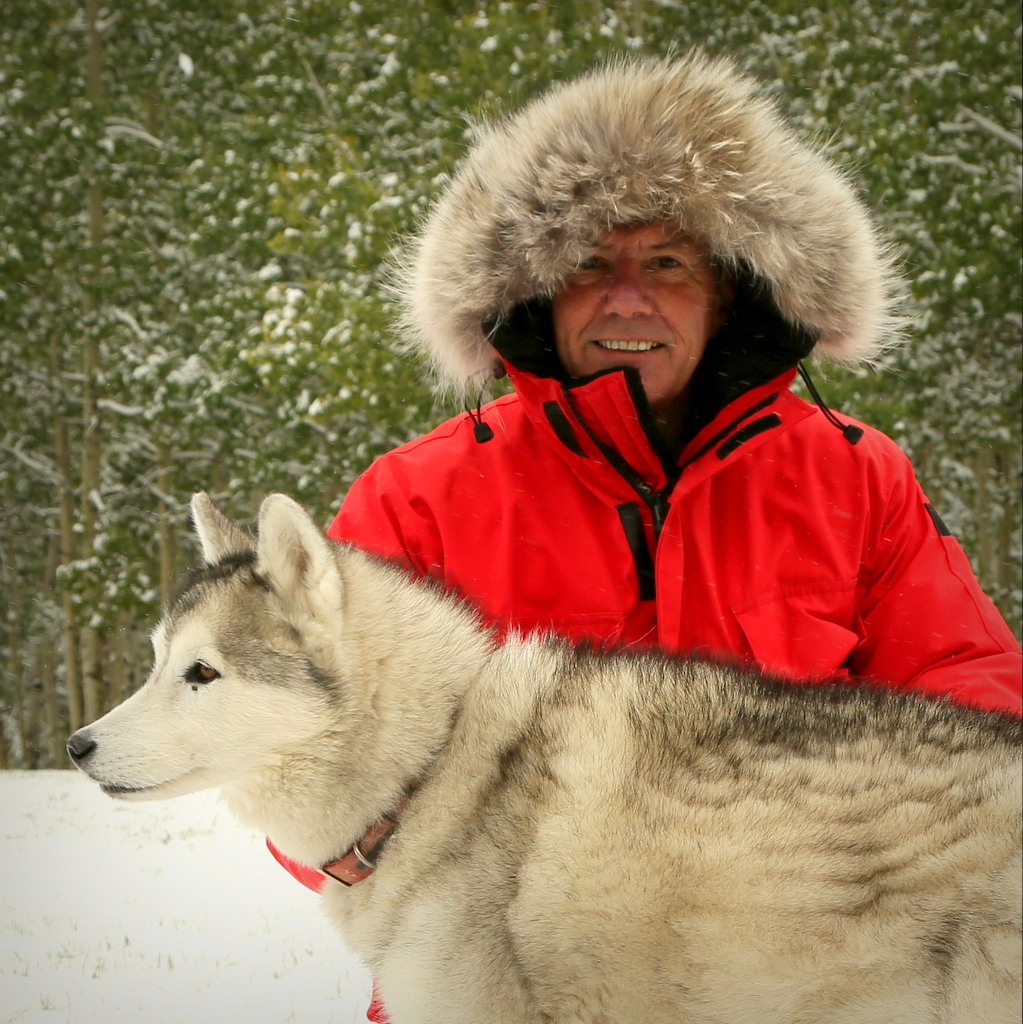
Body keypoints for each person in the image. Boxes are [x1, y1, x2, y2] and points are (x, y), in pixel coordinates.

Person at [276, 54, 1023, 1022]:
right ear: (534, 295)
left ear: (732, 291)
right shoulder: (416, 499)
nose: (626, 298)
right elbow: (295, 747)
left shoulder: (853, 475)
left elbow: (968, 702)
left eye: (667, 263)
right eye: (589, 264)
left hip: (802, 977)